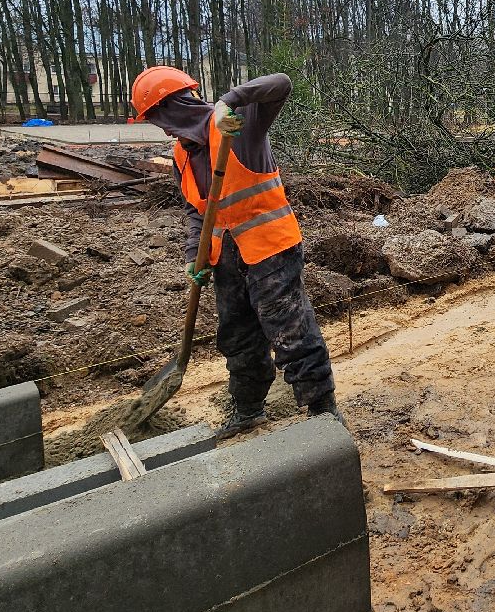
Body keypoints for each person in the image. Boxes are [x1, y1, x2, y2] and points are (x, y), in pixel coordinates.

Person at [131, 66, 341, 436]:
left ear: (176, 107)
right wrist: (193, 256)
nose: (164, 131)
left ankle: (323, 412)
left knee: (290, 331)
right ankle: (248, 409)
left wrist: (229, 101)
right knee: (238, 337)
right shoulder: (181, 156)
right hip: (226, 260)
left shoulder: (238, 127)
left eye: (160, 120)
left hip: (271, 249)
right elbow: (196, 211)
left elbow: (281, 84)